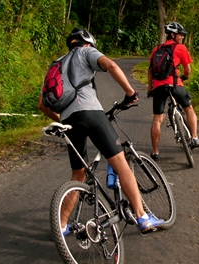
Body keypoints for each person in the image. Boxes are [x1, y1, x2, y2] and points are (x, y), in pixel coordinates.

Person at [38, 28, 164, 234]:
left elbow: (42, 105)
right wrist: (130, 93)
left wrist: (66, 119)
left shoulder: (56, 64)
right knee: (120, 163)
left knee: (77, 175)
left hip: (69, 120)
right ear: (88, 43)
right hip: (91, 112)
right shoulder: (86, 52)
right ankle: (142, 217)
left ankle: (61, 227)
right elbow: (112, 65)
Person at [147, 22, 199, 161]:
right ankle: (195, 137)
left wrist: (150, 88)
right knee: (189, 108)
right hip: (175, 84)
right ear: (173, 34)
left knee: (157, 119)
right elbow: (188, 70)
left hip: (159, 86)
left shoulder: (156, 49)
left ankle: (155, 152)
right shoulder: (180, 48)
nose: (182, 37)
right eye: (180, 35)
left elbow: (150, 71)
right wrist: (184, 77)